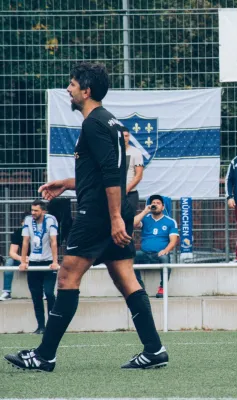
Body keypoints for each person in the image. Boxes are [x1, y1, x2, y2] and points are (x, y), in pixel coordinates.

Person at [4, 62, 167, 372]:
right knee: (125, 279)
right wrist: (66, 183)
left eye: (73, 84)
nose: (69, 89)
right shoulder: (110, 123)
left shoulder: (94, 123)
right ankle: (155, 349)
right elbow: (103, 173)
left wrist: (116, 217)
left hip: (97, 214)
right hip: (108, 212)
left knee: (66, 276)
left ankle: (44, 355)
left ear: (86, 91)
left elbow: (110, 174)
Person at [20, 200, 60, 334]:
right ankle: (41, 326)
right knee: (36, 295)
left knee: (49, 293)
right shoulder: (27, 220)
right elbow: (25, 241)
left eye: (36, 210)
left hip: (48, 262)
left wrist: (55, 261)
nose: (33, 213)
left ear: (43, 211)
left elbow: (53, 241)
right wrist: (23, 261)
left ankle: (52, 326)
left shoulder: (51, 219)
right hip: (34, 263)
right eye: (32, 210)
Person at [133, 194, 178, 298]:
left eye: (158, 203)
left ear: (163, 207)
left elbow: (173, 241)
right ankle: (139, 286)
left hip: (159, 253)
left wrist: (166, 250)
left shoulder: (170, 222)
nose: (155, 205)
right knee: (131, 257)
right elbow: (132, 223)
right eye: (153, 203)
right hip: (144, 253)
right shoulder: (145, 218)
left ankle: (163, 287)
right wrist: (145, 211)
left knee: (165, 258)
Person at [0, 211, 30, 301]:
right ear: (22, 223)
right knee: (9, 261)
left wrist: (32, 259)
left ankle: (43, 292)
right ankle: (7, 292)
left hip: (37, 259)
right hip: (23, 260)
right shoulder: (18, 233)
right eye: (26, 222)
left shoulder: (39, 233)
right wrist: (22, 259)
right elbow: (12, 253)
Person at [122, 126, 144, 213]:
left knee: (129, 221)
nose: (124, 138)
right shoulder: (112, 152)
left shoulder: (136, 152)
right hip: (114, 194)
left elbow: (138, 175)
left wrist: (126, 190)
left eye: (126, 136)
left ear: (129, 136)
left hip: (130, 194)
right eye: (122, 136)